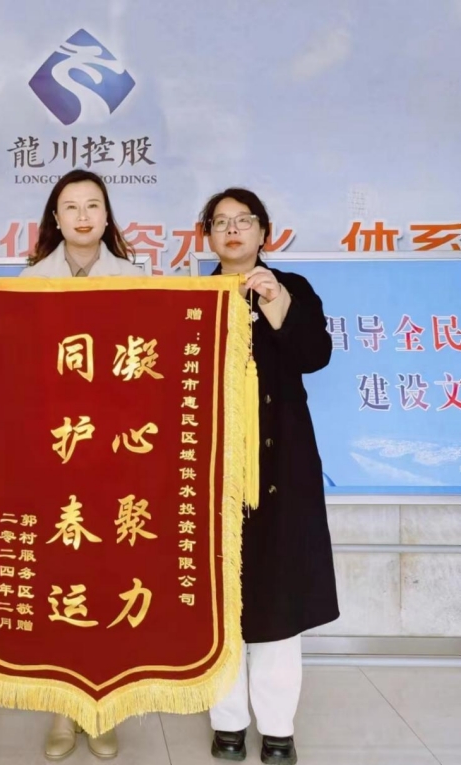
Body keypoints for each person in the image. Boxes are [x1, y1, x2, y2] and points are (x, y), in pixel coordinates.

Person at [0, 169, 141, 759]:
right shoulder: (29, 282)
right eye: (71, 206)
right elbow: (12, 370)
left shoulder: (138, 281)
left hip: (114, 458)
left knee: (110, 580)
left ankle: (103, 710)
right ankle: (64, 713)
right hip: (55, 455)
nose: (83, 216)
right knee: (61, 583)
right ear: (55, 219)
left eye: (93, 205)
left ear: (107, 217)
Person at [198, 188, 339, 765]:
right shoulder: (195, 296)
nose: (232, 230)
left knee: (279, 599)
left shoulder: (292, 287)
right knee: (219, 598)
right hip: (213, 470)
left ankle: (278, 728)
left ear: (264, 233)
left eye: (243, 221)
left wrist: (275, 298)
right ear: (207, 236)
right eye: (220, 222)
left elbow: (315, 355)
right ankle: (228, 722)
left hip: (282, 465)